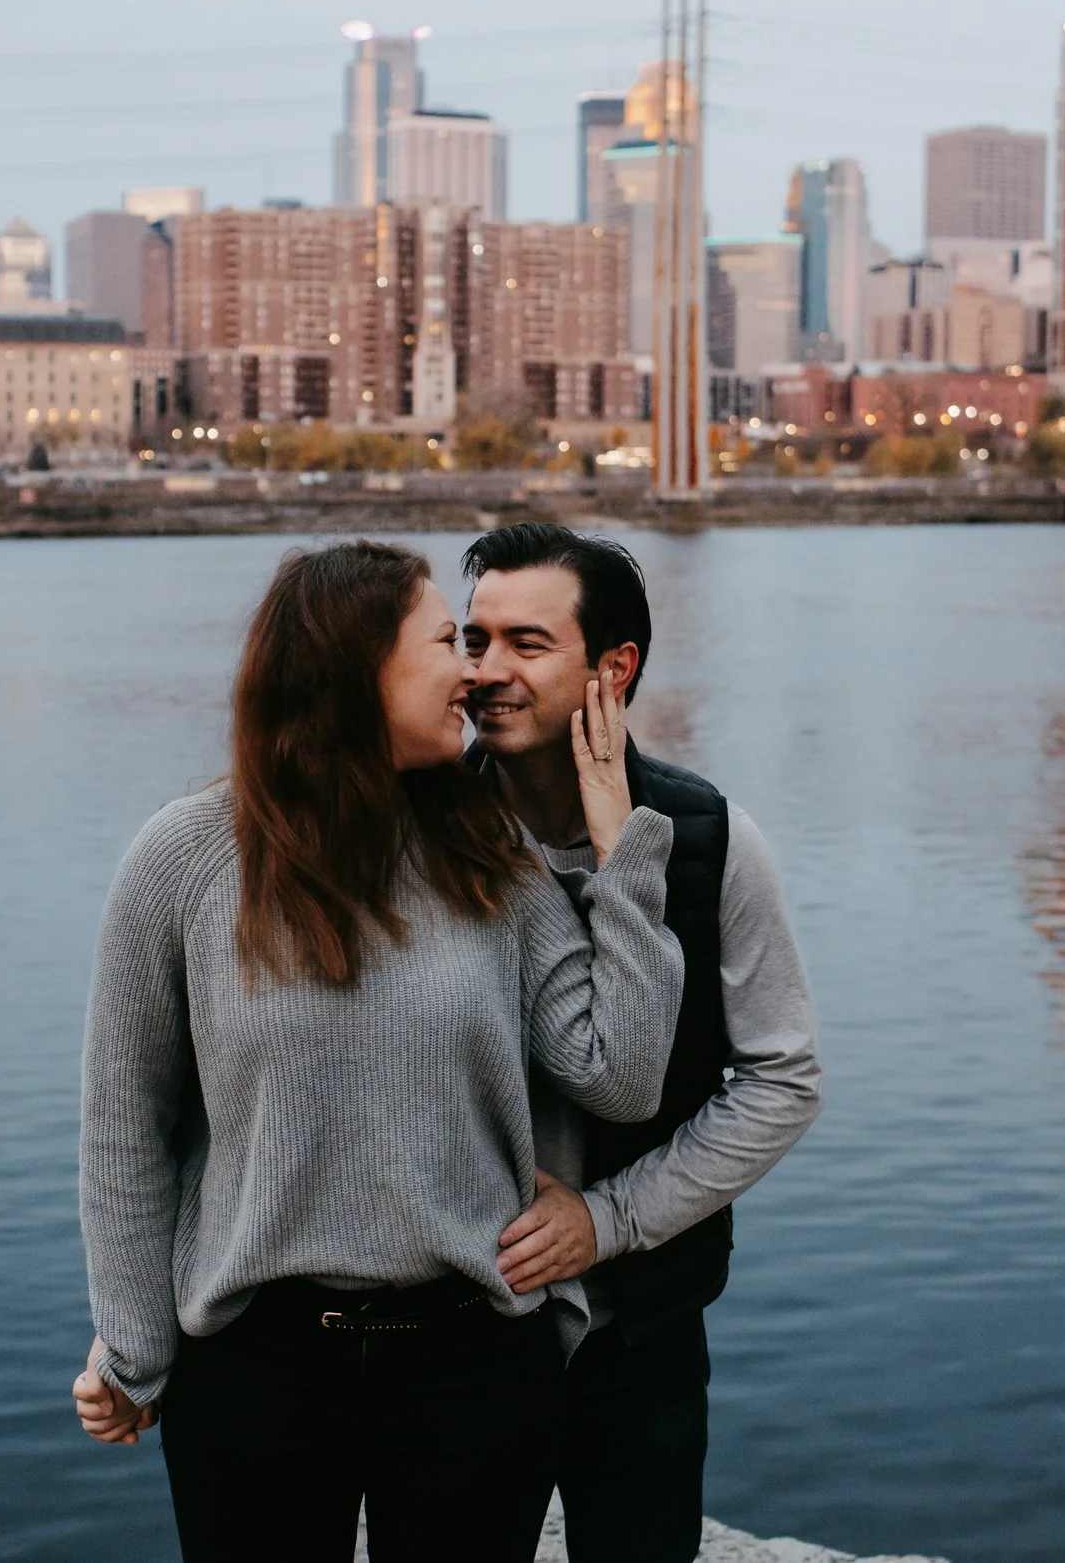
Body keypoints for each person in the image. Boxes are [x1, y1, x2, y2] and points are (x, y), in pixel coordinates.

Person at [71, 539, 687, 1563]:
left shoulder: (490, 853)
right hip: (254, 1367)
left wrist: (625, 855)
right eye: (448, 642)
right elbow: (124, 1124)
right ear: (358, 668)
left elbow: (619, 1075)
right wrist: (133, 1347)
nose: (472, 672)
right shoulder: (182, 858)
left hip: (474, 1364)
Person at [462, 523, 824, 1563]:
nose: (486, 670)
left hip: (642, 1333)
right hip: (453, 1334)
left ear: (613, 668)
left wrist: (610, 1220)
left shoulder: (710, 839)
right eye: (474, 639)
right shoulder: (414, 832)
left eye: (527, 643)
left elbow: (783, 1079)